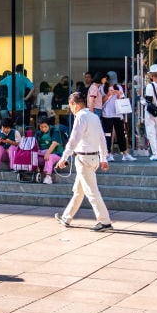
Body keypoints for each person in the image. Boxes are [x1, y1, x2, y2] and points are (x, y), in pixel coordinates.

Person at [54, 91, 113, 231]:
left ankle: (105, 221)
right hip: (93, 158)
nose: (70, 109)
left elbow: (74, 140)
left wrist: (64, 158)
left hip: (84, 159)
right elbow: (102, 139)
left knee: (91, 192)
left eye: (70, 105)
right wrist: (103, 158)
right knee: (79, 191)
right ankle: (66, 217)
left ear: (74, 104)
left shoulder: (80, 117)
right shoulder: (93, 117)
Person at [101, 71, 135, 161]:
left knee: (121, 134)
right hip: (107, 114)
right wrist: (109, 94)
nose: (113, 82)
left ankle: (125, 153)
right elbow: (101, 101)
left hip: (117, 113)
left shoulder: (119, 87)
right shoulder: (102, 88)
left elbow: (123, 99)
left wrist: (119, 94)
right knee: (108, 134)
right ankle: (108, 153)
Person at [36, 120, 64, 184]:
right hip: (43, 152)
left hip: (56, 153)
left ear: (49, 126)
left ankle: (48, 177)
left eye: (45, 127)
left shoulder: (54, 131)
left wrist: (48, 153)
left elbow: (54, 143)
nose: (43, 129)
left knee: (49, 157)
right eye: (41, 127)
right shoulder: (39, 133)